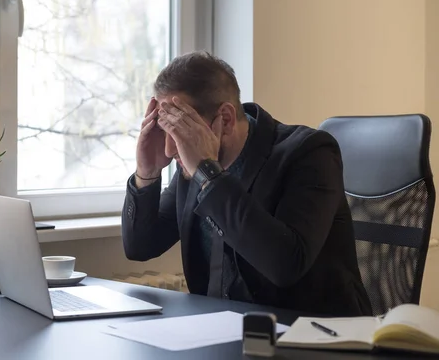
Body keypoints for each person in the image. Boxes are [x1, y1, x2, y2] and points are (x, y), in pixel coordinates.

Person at [121, 51, 372, 316]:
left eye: (182, 128)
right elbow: (140, 246)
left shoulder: (309, 154)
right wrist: (146, 172)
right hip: (221, 331)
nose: (171, 150)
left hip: (310, 336)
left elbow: (285, 264)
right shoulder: (193, 163)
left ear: (226, 120)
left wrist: (209, 173)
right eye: (164, 129)